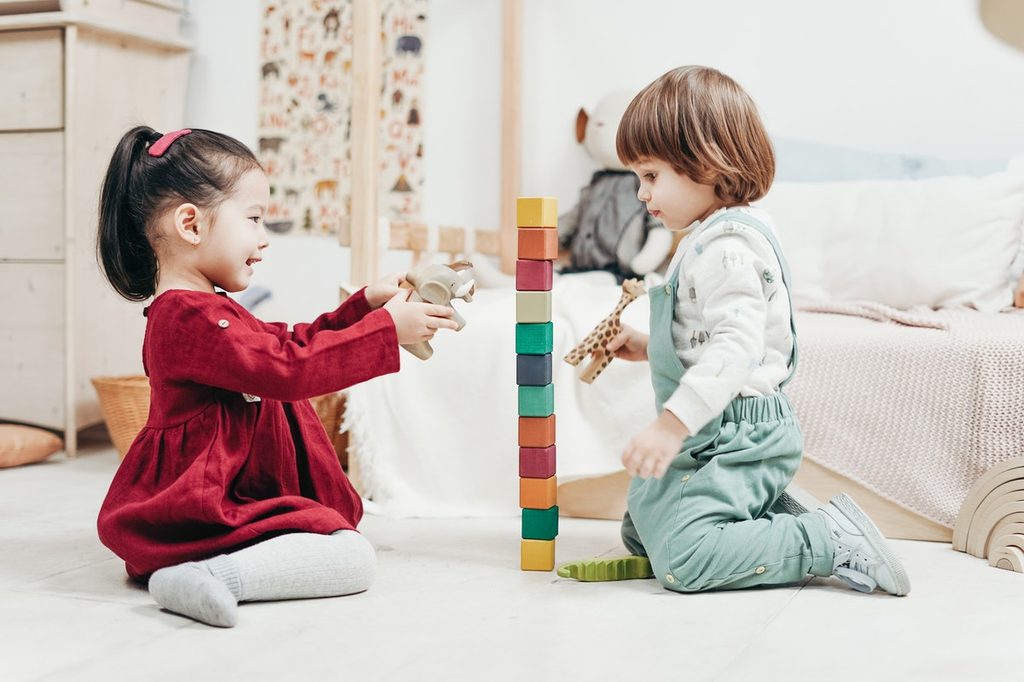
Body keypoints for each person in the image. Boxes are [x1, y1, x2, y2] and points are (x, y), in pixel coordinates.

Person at [557, 67, 910, 596]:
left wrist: (670, 426)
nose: (640, 193)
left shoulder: (726, 248)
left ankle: (825, 538)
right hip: (714, 428)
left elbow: (737, 347)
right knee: (642, 526)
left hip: (738, 434)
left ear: (706, 164)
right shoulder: (707, 237)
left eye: (651, 176)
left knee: (685, 559)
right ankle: (758, 514)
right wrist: (650, 346)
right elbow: (706, 332)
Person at [95, 126, 458, 627]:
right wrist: (384, 331)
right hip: (206, 504)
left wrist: (364, 308)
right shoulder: (187, 318)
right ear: (191, 225)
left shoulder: (209, 311)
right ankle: (216, 576)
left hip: (234, 494)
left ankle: (205, 569)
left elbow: (289, 344)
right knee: (353, 559)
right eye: (254, 219)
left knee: (338, 543)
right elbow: (288, 370)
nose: (264, 239)